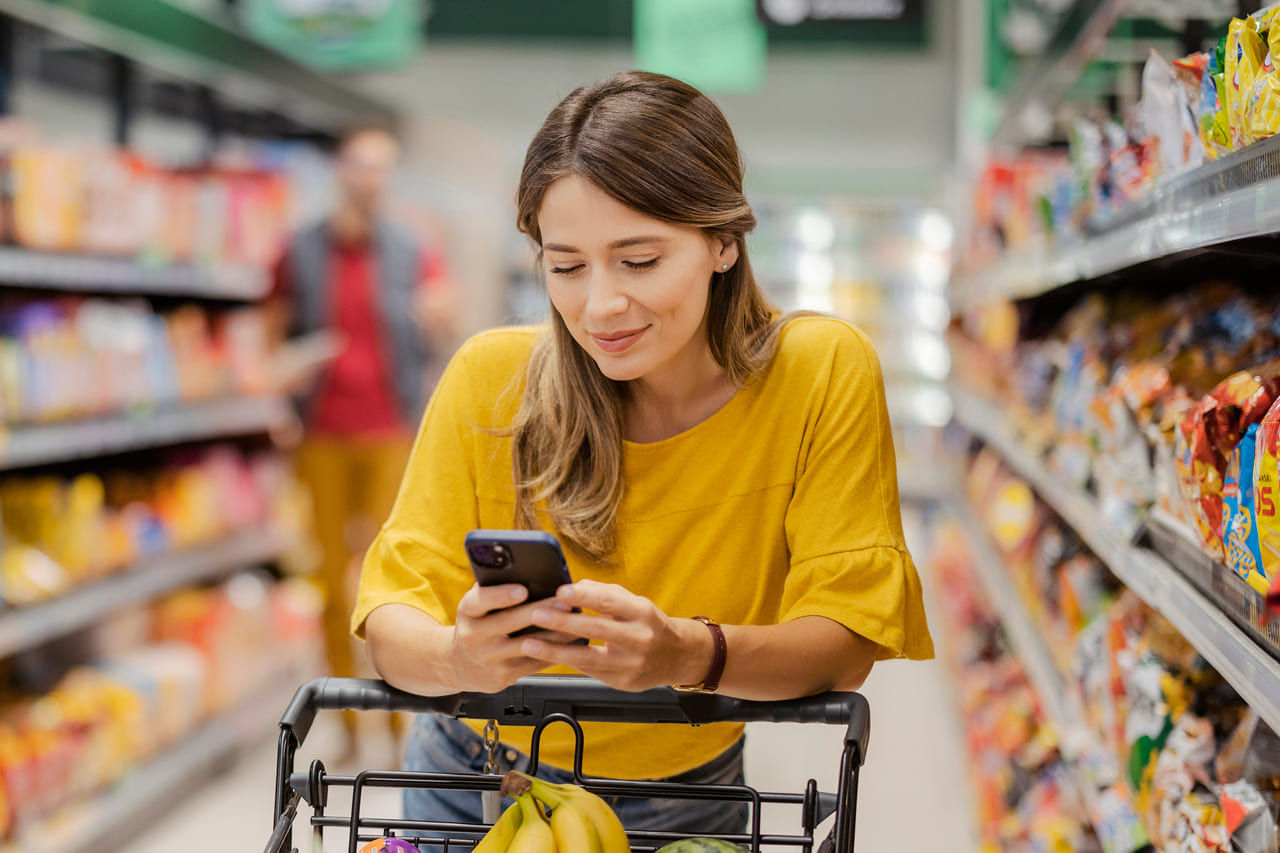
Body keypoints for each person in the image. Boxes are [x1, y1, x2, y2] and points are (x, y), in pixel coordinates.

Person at [352, 71, 934, 836]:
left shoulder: (818, 372)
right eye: (567, 266)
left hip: (687, 793)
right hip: (475, 781)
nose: (601, 306)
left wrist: (685, 652)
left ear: (723, 240)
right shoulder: (490, 380)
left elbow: (846, 641)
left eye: (639, 260)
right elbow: (392, 615)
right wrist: (460, 656)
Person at [275, 124, 457, 755]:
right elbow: (273, 327)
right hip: (322, 431)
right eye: (359, 166)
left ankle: (400, 718)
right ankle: (348, 723)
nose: (369, 178)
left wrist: (439, 316)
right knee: (328, 579)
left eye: (382, 167)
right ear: (340, 172)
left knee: (395, 579)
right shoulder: (301, 248)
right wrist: (281, 378)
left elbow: (442, 314)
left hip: (391, 432)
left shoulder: (412, 247)